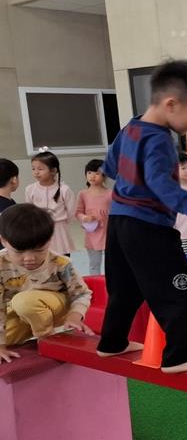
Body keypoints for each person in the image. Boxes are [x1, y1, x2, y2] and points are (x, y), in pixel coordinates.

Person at [98, 61, 187, 373]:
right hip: (148, 226)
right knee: (183, 292)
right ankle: (178, 357)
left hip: (119, 222)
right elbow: (158, 180)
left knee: (125, 288)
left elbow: (110, 166)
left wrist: (129, 186)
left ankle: (112, 342)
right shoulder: (160, 139)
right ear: (171, 104)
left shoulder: (131, 127)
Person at [0, 204, 93, 363]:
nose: (29, 258)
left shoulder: (60, 263)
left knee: (24, 301)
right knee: (12, 324)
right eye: (19, 252)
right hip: (21, 313)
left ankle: (48, 339)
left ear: (49, 241)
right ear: (3, 241)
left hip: (53, 308)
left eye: (38, 250)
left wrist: (74, 316)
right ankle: (31, 329)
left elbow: (82, 293)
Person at [24, 151, 74, 256]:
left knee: (62, 259)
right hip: (39, 229)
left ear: (53, 170)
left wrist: (61, 223)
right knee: (42, 257)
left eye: (40, 169)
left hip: (59, 230)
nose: (36, 172)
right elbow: (29, 211)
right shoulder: (30, 189)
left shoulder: (64, 189)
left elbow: (71, 211)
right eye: (33, 169)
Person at [75, 159, 113, 275]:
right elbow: (78, 212)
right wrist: (85, 218)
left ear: (104, 176)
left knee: (112, 264)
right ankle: (96, 282)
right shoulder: (83, 194)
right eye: (89, 173)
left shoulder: (110, 194)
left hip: (108, 233)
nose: (92, 176)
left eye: (97, 173)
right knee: (94, 264)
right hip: (92, 235)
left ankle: (111, 283)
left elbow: (116, 213)